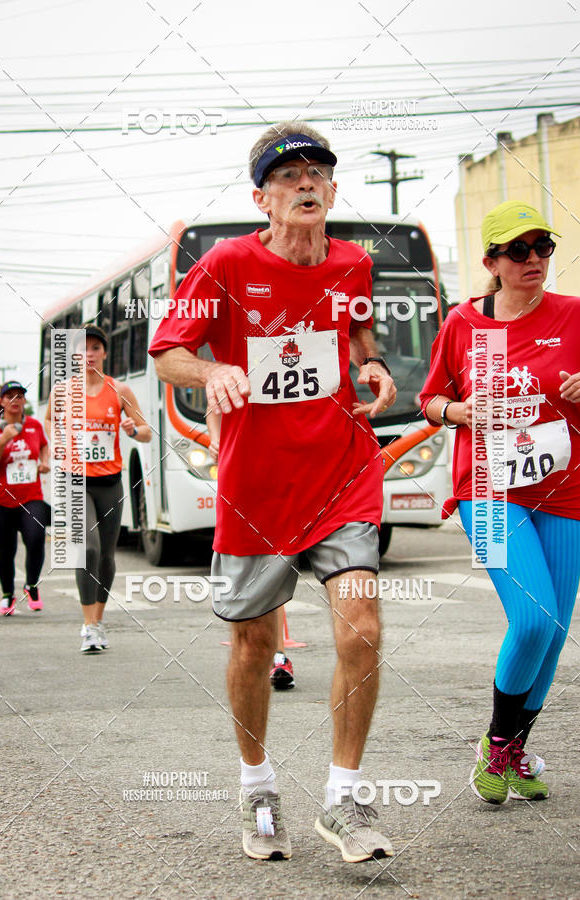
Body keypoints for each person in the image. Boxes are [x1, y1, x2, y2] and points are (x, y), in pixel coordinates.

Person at [150, 122, 397, 862]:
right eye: (287, 176)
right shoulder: (226, 263)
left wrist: (374, 366)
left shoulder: (353, 263)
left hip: (342, 476)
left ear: (332, 190)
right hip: (257, 488)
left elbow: (358, 330)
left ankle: (344, 800)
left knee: (362, 628)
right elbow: (168, 352)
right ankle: (257, 787)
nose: (305, 182)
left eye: (316, 171)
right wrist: (213, 371)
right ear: (262, 198)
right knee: (254, 643)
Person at [420, 200, 580, 805]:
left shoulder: (575, 315)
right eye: (518, 250)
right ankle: (495, 744)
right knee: (533, 619)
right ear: (491, 262)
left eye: (543, 247)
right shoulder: (463, 323)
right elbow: (430, 399)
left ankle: (514, 750)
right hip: (486, 490)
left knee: (554, 633)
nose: (533, 259)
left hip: (565, 490)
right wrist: (458, 411)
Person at [45, 324, 151, 652]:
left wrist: (132, 430)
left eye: (95, 348)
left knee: (106, 555)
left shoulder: (119, 390)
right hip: (75, 481)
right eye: (82, 349)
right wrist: (57, 440)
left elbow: (146, 431)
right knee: (87, 548)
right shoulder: (62, 391)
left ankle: (99, 619)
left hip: (110, 483)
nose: (88, 354)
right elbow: (49, 420)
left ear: (105, 352)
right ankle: (89, 626)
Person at [207, 406, 295, 691]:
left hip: (280, 474)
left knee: (274, 566)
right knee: (245, 576)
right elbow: (213, 406)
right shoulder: (232, 380)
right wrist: (215, 438)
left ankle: (278, 657)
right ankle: (252, 652)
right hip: (241, 481)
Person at [0, 381, 49, 615]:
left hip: (31, 497)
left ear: (24, 401)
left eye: (19, 396)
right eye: (9, 396)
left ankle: (31, 585)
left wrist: (44, 462)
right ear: (1, 401)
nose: (15, 400)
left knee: (36, 538)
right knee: (6, 551)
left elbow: (43, 446)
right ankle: (7, 594)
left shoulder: (34, 426)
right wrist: (3, 440)